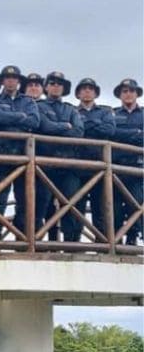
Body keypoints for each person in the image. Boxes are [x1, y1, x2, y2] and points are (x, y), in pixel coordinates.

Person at [0, 65, 41, 236]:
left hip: (23, 157)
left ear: (18, 81)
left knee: (24, 201)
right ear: (2, 81)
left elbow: (34, 122)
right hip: (0, 156)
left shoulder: (28, 101)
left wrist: (9, 118)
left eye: (14, 78)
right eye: (7, 78)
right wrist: (20, 117)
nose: (11, 81)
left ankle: (22, 239)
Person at [35, 71, 85, 242]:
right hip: (45, 164)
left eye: (59, 84)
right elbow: (44, 126)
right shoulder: (38, 106)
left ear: (64, 88)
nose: (56, 86)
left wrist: (58, 128)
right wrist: (65, 126)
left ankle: (72, 243)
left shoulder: (71, 109)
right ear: (46, 86)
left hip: (69, 165)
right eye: (53, 83)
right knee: (42, 205)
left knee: (71, 204)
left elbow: (79, 132)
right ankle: (37, 242)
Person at [72, 78, 117, 240]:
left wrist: (85, 124)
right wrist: (95, 125)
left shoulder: (105, 111)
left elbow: (110, 129)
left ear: (96, 92)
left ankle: (103, 243)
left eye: (90, 88)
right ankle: (74, 243)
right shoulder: (72, 111)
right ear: (78, 93)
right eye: (83, 89)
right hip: (77, 166)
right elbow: (74, 131)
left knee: (101, 207)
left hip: (100, 166)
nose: (87, 91)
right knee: (76, 206)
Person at [112, 78, 143, 245]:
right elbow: (111, 133)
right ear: (120, 95)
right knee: (115, 207)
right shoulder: (113, 114)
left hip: (138, 168)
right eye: (125, 91)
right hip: (117, 167)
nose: (128, 94)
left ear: (137, 93)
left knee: (136, 204)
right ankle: (116, 241)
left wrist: (124, 135)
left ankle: (132, 239)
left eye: (131, 91)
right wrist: (136, 133)